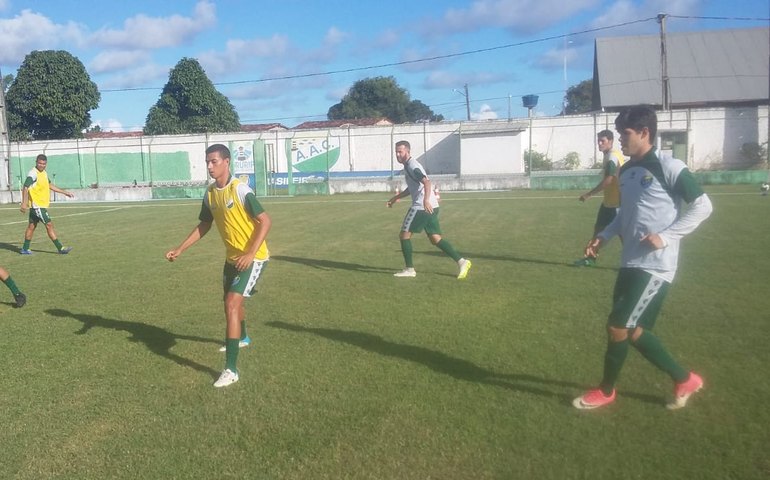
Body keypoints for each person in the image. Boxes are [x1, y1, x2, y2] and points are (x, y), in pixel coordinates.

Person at [573, 106, 713, 410]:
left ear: (644, 132)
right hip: (630, 262)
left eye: (625, 134)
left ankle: (606, 391)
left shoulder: (669, 166)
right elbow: (625, 216)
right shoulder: (626, 171)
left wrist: (666, 237)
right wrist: (603, 236)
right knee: (634, 331)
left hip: (656, 265)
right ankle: (684, 379)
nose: (621, 140)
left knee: (617, 326)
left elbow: (703, 206)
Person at [165, 144, 272, 388]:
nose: (210, 166)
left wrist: (250, 253)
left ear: (227, 162)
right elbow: (205, 224)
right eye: (207, 162)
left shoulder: (240, 190)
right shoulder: (211, 194)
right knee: (231, 303)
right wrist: (180, 249)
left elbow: (265, 221)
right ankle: (243, 337)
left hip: (254, 257)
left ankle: (231, 370)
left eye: (214, 161)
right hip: (231, 258)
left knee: (232, 304)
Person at [386, 140, 471, 279]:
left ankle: (409, 269)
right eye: (396, 152)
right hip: (433, 206)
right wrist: (396, 197)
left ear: (408, 151)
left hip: (421, 207)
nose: (397, 155)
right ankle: (462, 262)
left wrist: (425, 200)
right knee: (435, 239)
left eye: (400, 152)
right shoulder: (408, 165)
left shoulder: (412, 165)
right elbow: (413, 187)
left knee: (404, 235)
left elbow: (426, 182)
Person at [573, 130, 625, 266]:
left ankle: (635, 263)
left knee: (623, 235)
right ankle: (590, 259)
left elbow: (609, 179)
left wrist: (589, 194)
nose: (600, 144)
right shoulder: (609, 155)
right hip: (608, 203)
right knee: (598, 230)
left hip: (617, 204)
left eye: (603, 141)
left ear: (611, 141)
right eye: (598, 141)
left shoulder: (612, 156)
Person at [20, 154, 74, 255]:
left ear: (46, 164)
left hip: (38, 206)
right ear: (36, 162)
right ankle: (61, 248)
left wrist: (64, 192)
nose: (42, 165)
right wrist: (24, 203)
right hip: (38, 206)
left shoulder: (44, 173)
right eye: (40, 163)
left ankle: (25, 249)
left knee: (31, 226)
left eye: (44, 164)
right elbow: (25, 186)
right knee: (49, 225)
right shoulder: (33, 173)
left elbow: (49, 185)